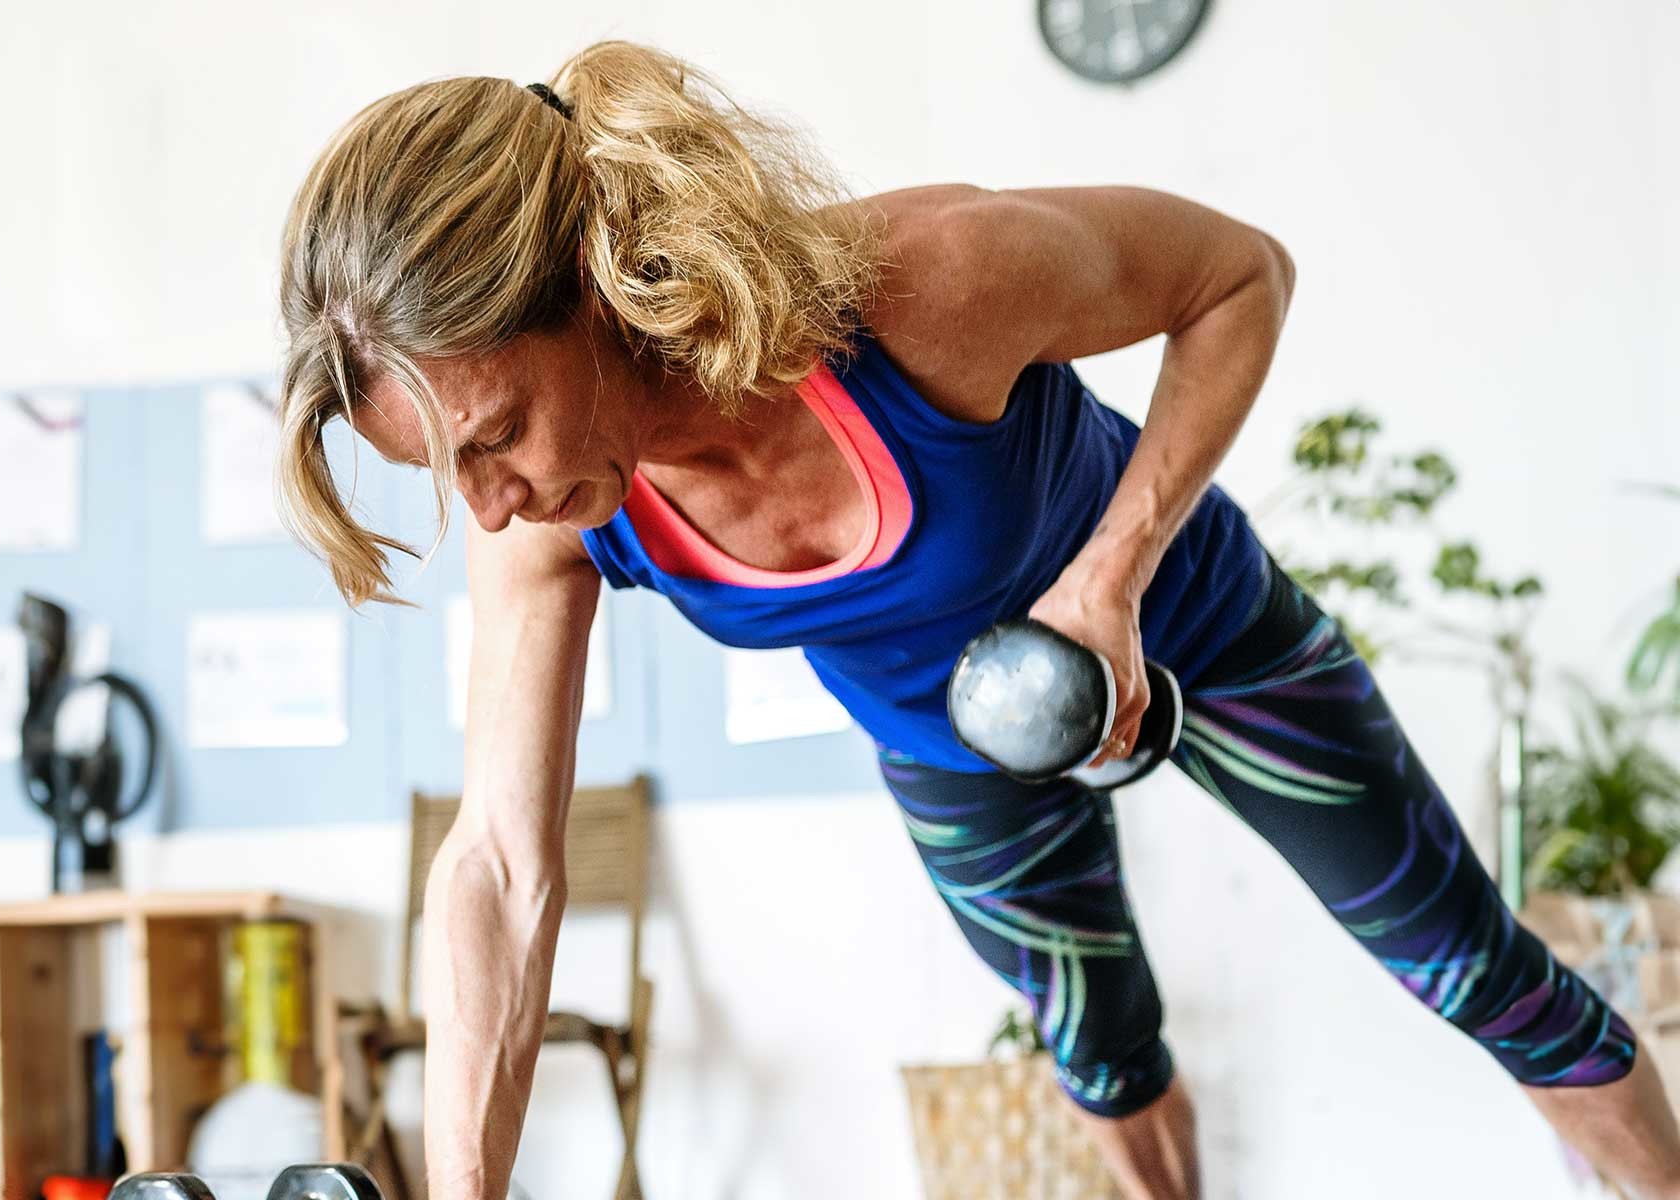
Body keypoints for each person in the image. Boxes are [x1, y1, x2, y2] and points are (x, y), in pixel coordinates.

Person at [274, 39, 1680, 1200]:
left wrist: (1112, 578)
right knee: (1102, 1059)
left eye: (496, 436)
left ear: (594, 286)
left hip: (1197, 625)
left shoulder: (924, 287)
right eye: (443, 473)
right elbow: (499, 864)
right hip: (951, 745)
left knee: (1471, 965)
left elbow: (1240, 277)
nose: (488, 508)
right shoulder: (551, 521)